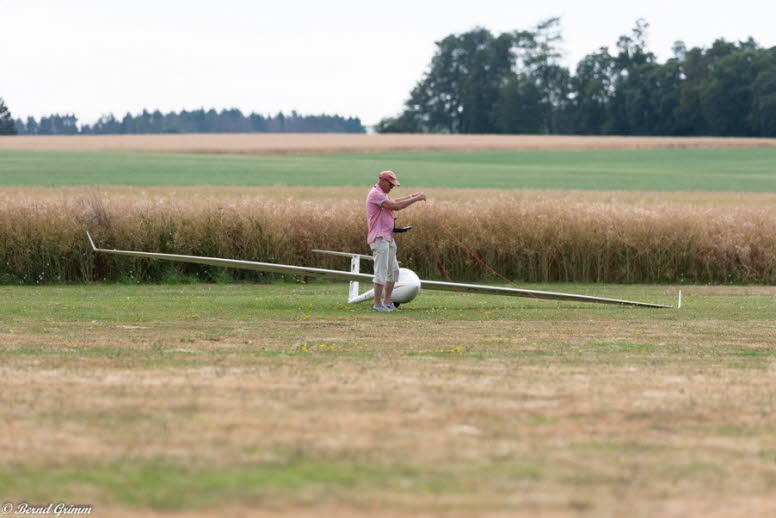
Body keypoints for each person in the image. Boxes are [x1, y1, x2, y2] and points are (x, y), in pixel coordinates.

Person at [366, 170, 426, 312]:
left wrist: (412, 196)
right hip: (379, 238)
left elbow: (394, 201)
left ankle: (388, 302)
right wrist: (416, 199)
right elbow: (395, 206)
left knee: (393, 271)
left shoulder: (382, 194)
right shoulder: (376, 194)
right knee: (381, 273)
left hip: (387, 237)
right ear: (382, 181)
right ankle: (377, 305)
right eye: (391, 185)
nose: (392, 187)